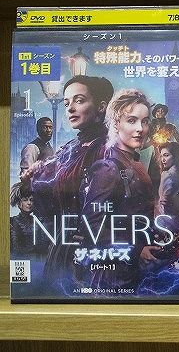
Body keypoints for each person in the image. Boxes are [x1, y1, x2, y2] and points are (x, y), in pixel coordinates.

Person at [22, 75, 114, 285]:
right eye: (66, 103)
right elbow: (49, 206)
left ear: (101, 106)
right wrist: (33, 180)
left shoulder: (110, 148)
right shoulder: (69, 149)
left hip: (95, 250)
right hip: (62, 245)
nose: (70, 108)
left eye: (79, 101)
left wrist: (102, 236)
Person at [77, 89, 159, 289]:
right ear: (116, 123)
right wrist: (136, 250)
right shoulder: (109, 168)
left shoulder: (134, 162)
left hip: (134, 269)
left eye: (145, 121)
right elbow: (90, 224)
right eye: (131, 120)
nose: (140, 128)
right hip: (113, 273)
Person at [147, 103, 179, 194]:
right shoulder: (151, 127)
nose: (160, 112)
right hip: (156, 157)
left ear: (165, 113)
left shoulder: (170, 127)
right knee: (153, 182)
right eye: (158, 111)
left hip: (168, 156)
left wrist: (172, 144)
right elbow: (143, 142)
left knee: (169, 181)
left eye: (162, 111)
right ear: (155, 113)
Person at [10, 182, 50, 258]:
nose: (29, 203)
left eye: (31, 200)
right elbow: (16, 248)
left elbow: (44, 246)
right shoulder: (12, 222)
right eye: (25, 200)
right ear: (18, 203)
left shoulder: (39, 221)